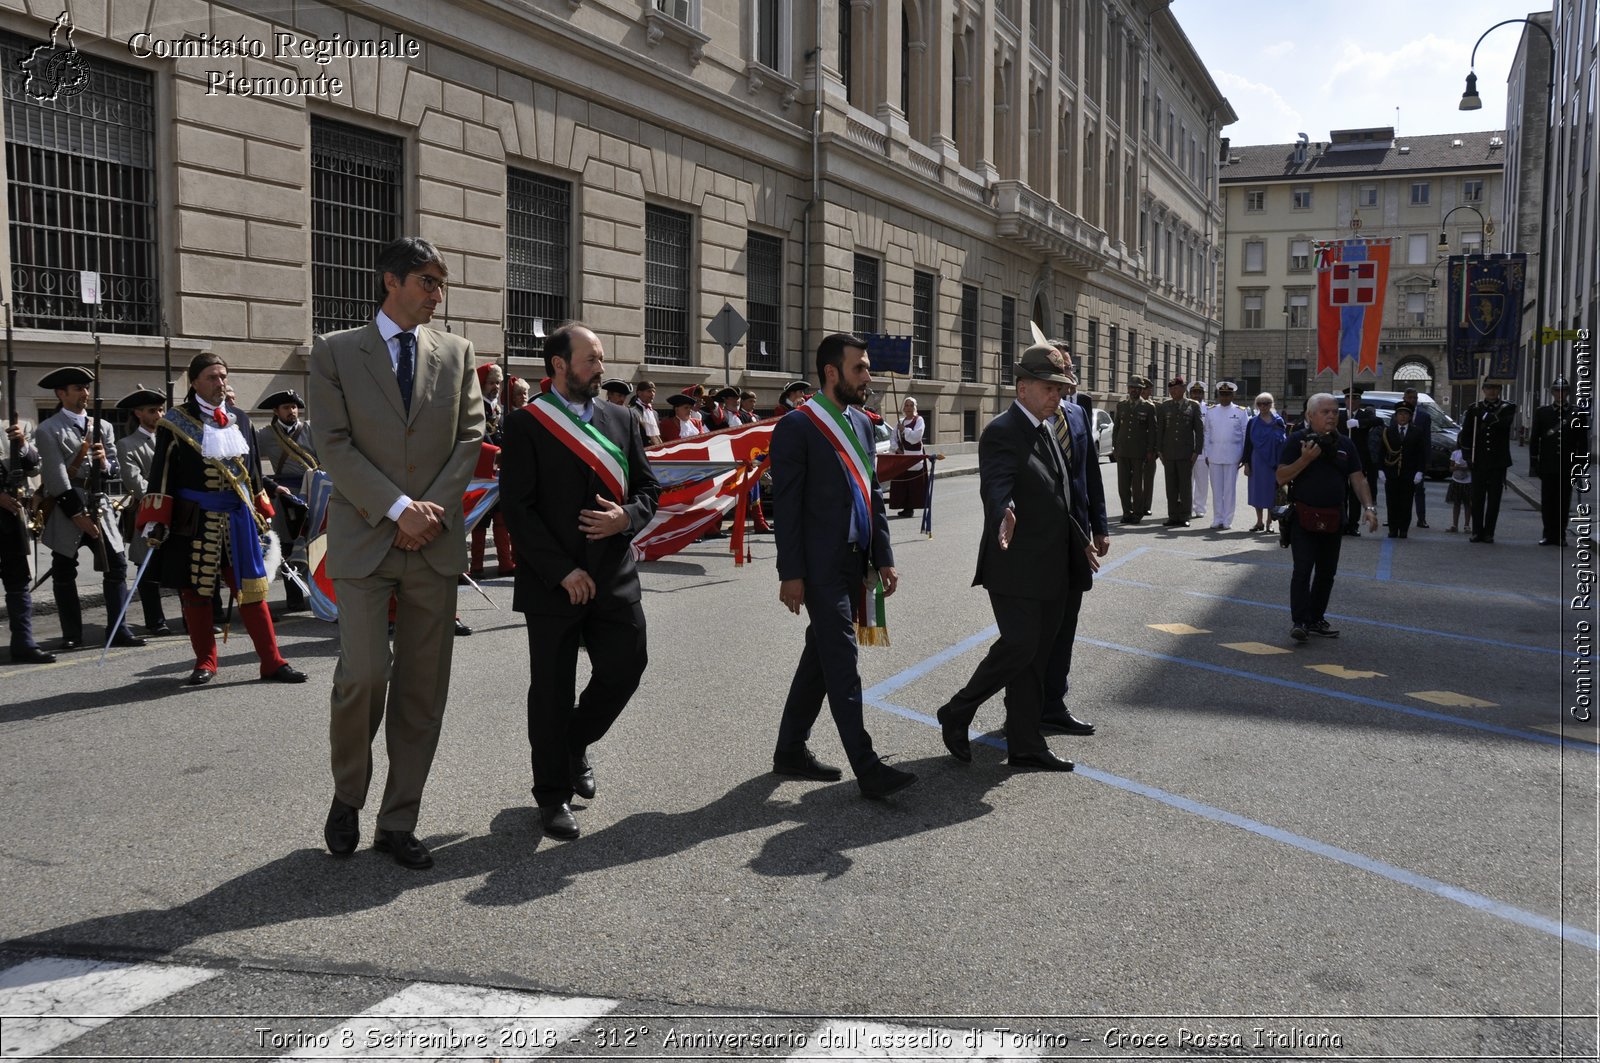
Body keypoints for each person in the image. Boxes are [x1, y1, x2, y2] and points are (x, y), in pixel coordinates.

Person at [310, 235, 485, 871]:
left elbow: (469, 439)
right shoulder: (334, 352)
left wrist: (426, 513)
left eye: (441, 284)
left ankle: (398, 820)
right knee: (363, 674)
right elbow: (332, 443)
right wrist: (396, 509)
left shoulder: (458, 353)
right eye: (429, 283)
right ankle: (347, 796)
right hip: (364, 539)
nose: (438, 296)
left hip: (432, 544)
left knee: (422, 689)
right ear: (392, 281)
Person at [500, 323, 660, 841]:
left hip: (614, 575)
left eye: (601, 359)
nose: (601, 369)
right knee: (550, 691)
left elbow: (649, 489)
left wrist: (627, 518)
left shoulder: (623, 417)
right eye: (591, 360)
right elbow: (517, 511)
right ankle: (550, 796)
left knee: (626, 666)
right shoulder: (526, 425)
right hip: (554, 583)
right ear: (559, 366)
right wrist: (561, 570)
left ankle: (573, 744)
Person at [933, 342, 1093, 774]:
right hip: (1016, 564)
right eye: (1049, 388)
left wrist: (1081, 541)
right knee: (1021, 643)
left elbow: (1061, 495)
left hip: (1055, 564)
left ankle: (1024, 742)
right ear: (1022, 387)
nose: (1057, 396)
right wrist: (1003, 510)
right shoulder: (1004, 430)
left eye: (1061, 388)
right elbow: (997, 484)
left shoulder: (1048, 425)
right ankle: (958, 709)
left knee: (1036, 657)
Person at [772, 333, 914, 799]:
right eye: (860, 369)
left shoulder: (860, 421)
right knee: (842, 660)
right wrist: (789, 574)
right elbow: (787, 508)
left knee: (820, 657)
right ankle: (868, 768)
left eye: (868, 368)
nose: (868, 377)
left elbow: (870, 493)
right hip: (818, 568)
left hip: (856, 562)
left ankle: (790, 750)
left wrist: (884, 557)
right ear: (832, 373)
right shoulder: (797, 426)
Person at [137, 354, 308, 687]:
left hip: (239, 520)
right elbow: (162, 475)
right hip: (195, 520)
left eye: (224, 376)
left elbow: (253, 474)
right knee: (198, 594)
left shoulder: (240, 419)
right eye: (213, 377)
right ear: (196, 382)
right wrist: (156, 519)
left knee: (253, 593)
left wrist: (263, 512)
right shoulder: (175, 422)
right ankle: (205, 661)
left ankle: (272, 662)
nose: (221, 383)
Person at [34, 366, 145, 652]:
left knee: (117, 566)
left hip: (101, 504)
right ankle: (72, 633)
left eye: (86, 388)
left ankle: (118, 627)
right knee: (63, 570)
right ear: (62, 394)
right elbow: (57, 478)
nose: (85, 393)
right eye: (78, 389)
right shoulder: (48, 429)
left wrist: (104, 463)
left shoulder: (103, 426)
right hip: (67, 508)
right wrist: (78, 516)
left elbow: (114, 469)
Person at [1040, 347, 1111, 737]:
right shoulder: (1037, 415)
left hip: (1079, 537)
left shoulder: (1079, 413)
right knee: (1038, 629)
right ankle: (1027, 703)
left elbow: (1090, 476)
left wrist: (1099, 526)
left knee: (1067, 623)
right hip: (1046, 541)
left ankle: (1054, 701)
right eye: (1061, 371)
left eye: (1070, 370)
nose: (1069, 377)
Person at [1277, 392, 1379, 643]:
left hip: (1334, 517)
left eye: (1335, 411)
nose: (1332, 415)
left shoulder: (1345, 444)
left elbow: (1358, 478)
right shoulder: (1297, 441)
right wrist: (1305, 459)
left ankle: (1316, 618)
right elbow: (1281, 477)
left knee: (1326, 573)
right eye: (1326, 412)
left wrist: (1369, 508)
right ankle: (1299, 621)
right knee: (1302, 570)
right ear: (1310, 415)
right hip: (1303, 516)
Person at [114, 387, 172, 634]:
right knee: (148, 569)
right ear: (138, 414)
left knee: (180, 564)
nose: (158, 414)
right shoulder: (128, 445)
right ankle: (155, 621)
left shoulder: (171, 438)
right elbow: (135, 482)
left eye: (160, 409)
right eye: (152, 410)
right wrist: (167, 494)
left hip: (178, 510)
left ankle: (192, 617)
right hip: (149, 512)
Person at [255, 389, 318, 612]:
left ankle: (320, 596)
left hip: (313, 491)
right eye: (286, 407)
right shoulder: (265, 434)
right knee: (288, 546)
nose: (292, 411)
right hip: (285, 496)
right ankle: (294, 596)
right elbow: (248, 461)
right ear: (276, 411)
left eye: (294, 407)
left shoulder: (311, 429)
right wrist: (269, 485)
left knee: (317, 543)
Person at [1, 411, 53, 663]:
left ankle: (23, 642)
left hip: (11, 518)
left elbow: (35, 467)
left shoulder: (19, 426)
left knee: (18, 581)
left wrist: (22, 443)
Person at [1457, 380, 1517, 544]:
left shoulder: (1507, 407)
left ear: (1499, 390)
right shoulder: (1473, 408)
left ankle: (1489, 532)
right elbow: (1466, 435)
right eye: (1488, 388)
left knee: (1494, 499)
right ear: (1483, 389)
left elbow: (1503, 425)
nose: (1491, 391)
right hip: (1479, 460)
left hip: (1498, 461)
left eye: (1495, 388)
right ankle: (1477, 531)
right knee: (1477, 498)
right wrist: (1468, 456)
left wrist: (1483, 415)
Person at [1530, 377, 1586, 546]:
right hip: (1548, 464)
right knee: (1547, 501)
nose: (1560, 394)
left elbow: (1582, 442)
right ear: (1552, 392)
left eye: (1563, 391)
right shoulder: (1543, 412)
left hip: (1567, 465)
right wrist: (1534, 461)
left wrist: (1580, 465)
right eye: (1557, 391)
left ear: (1567, 393)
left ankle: (1560, 535)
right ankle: (1548, 534)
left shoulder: (1576, 413)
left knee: (1563, 502)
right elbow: (1535, 439)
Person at [1156, 376, 1204, 527]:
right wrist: (1160, 451)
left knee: (1185, 486)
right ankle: (1172, 515)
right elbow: (1160, 430)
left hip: (1186, 453)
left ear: (1184, 389)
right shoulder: (1165, 406)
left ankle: (1184, 515)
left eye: (1176, 389)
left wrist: (1197, 451)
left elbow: (1199, 430)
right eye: (1171, 389)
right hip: (1169, 452)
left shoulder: (1193, 406)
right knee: (1171, 486)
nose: (1173, 392)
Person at [1201, 381, 1249, 530]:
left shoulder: (1241, 411)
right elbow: (1207, 433)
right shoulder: (1211, 411)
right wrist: (1207, 453)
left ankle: (1228, 519)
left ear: (1233, 395)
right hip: (1215, 454)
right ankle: (1217, 518)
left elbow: (1245, 434)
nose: (1224, 397)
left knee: (1229, 489)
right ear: (1218, 395)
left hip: (1233, 455)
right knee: (1216, 489)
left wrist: (1243, 455)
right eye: (1222, 394)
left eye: (1227, 394)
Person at [1373, 403, 1427, 538]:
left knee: (1406, 502)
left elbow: (1421, 453)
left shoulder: (1417, 431)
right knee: (1391, 502)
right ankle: (1393, 528)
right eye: (1400, 414)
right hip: (1391, 472)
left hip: (1409, 473)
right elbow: (1382, 452)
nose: (1402, 417)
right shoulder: (1389, 431)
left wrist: (1420, 471)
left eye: (1405, 414)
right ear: (1396, 416)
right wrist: (1381, 469)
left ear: (1409, 417)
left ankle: (1403, 529)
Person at [1112, 375, 1157, 523]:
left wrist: (1150, 450)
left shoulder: (1148, 407)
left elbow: (1152, 431)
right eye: (1132, 387)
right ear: (1128, 388)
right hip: (1123, 450)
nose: (1134, 390)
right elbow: (1117, 428)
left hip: (1139, 452)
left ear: (1141, 390)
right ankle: (1127, 512)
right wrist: (1115, 447)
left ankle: (1137, 513)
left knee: (1137, 485)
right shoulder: (1122, 405)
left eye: (1137, 388)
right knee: (1123, 485)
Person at [1338, 387, 1381, 536]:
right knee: (1342, 493)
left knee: (1356, 495)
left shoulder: (1364, 415)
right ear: (1345, 400)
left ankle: (1353, 525)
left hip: (1358, 459)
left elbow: (1378, 421)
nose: (1352, 401)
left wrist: (1358, 423)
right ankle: (1342, 523)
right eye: (1349, 398)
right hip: (1341, 459)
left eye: (1356, 398)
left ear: (1360, 400)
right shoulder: (1339, 415)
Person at [1241, 392, 1287, 533]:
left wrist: (1282, 464)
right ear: (1257, 405)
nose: (1263, 406)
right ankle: (1259, 521)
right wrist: (1247, 463)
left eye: (1266, 403)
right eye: (1260, 403)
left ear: (1271, 404)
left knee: (1271, 492)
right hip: (1257, 460)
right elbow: (1248, 443)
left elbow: (1284, 442)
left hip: (1273, 462)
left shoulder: (1278, 421)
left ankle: (1269, 523)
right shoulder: (1252, 422)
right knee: (1257, 491)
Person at [888, 397, 927, 518]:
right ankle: (904, 506)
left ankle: (911, 508)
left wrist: (905, 430)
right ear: (903, 408)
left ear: (915, 407)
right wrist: (896, 449)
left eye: (911, 405)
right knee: (902, 483)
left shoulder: (919, 420)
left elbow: (916, 437)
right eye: (906, 405)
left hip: (914, 457)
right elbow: (893, 437)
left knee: (913, 484)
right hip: (902, 457)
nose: (908, 408)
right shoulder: (900, 421)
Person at [1401, 388, 1432, 528]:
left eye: (1414, 398)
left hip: (1417, 459)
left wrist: (1427, 460)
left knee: (1419, 490)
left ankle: (1421, 518)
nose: (1412, 400)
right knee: (1398, 490)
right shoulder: (1397, 415)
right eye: (1409, 398)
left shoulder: (1424, 417)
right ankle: (1396, 517)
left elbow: (1427, 440)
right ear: (1404, 398)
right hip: (1400, 459)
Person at [1188, 380, 1211, 519]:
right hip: (1187, 450)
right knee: (1187, 481)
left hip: (1202, 451)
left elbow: (1209, 432)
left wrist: (1208, 452)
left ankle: (1200, 507)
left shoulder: (1209, 409)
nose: (1197, 395)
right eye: (1194, 392)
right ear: (1190, 393)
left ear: (1203, 394)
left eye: (1199, 392)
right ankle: (1187, 506)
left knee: (1202, 481)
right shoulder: (1185, 407)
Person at [1445, 447, 1472, 535]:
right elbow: (1450, 468)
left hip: (1468, 481)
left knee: (1467, 504)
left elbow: (1473, 468)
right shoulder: (1455, 453)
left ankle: (1467, 525)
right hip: (1456, 480)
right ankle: (1454, 525)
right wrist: (1456, 467)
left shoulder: (1471, 453)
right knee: (1456, 504)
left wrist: (1466, 468)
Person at [632, 380, 661, 445]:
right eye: (649, 391)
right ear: (639, 393)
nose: (652, 394)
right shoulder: (633, 411)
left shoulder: (655, 413)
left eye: (654, 391)